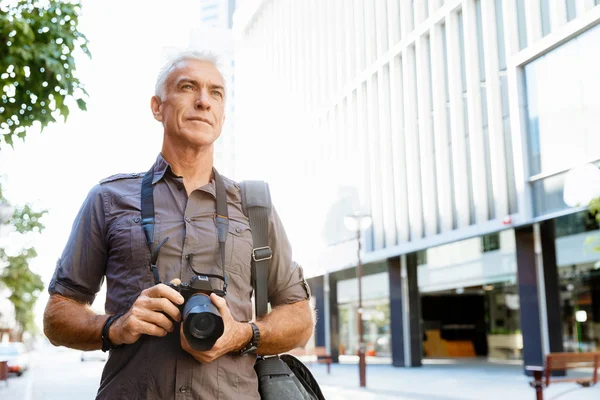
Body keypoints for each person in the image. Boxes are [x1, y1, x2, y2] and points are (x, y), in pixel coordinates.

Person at [43, 51, 314, 400]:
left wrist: (243, 334)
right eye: (188, 87)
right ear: (157, 107)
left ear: (222, 115)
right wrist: (115, 326)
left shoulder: (253, 206)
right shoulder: (108, 199)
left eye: (215, 93)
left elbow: (300, 317)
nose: (203, 101)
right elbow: (57, 316)